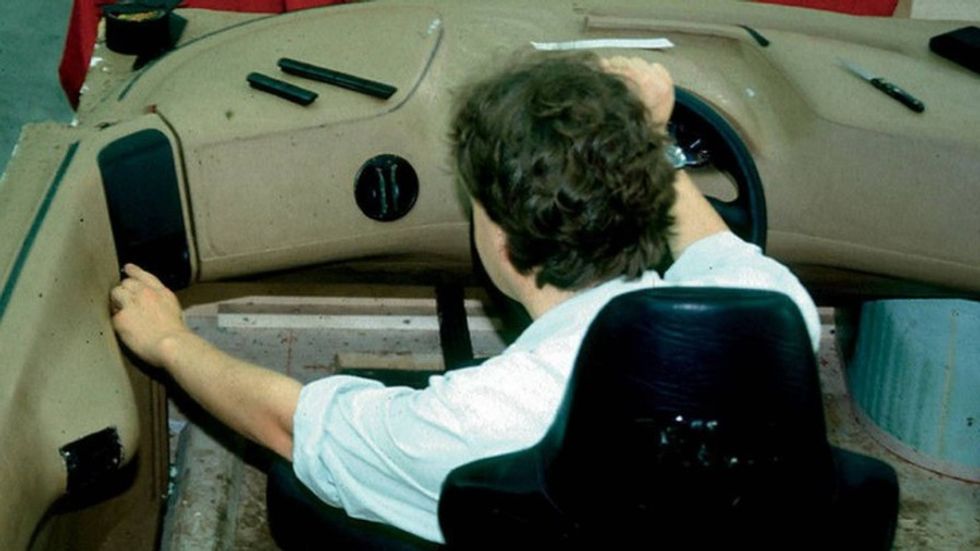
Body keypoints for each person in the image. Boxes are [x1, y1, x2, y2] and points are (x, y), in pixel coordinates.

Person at [110, 53, 820, 545]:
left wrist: (172, 341)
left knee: (305, 481)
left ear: (502, 242)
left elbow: (293, 427)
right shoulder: (772, 312)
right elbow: (712, 243)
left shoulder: (480, 420)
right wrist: (649, 136)